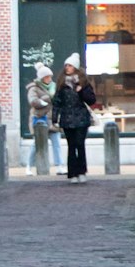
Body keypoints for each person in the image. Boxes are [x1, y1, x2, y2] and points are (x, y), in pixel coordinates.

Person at [52, 52, 96, 182]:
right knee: (71, 145)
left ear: (75, 67)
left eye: (70, 65)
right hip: (67, 118)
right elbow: (57, 102)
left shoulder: (83, 83)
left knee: (80, 144)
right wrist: (55, 118)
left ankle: (82, 171)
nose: (67, 68)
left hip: (81, 118)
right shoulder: (62, 84)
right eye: (66, 65)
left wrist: (81, 91)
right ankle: (72, 174)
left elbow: (91, 100)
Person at [27, 62, 61, 171]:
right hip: (40, 120)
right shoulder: (34, 88)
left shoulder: (54, 87)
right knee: (36, 144)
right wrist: (46, 99)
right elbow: (33, 101)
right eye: (46, 77)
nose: (49, 79)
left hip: (53, 120)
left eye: (50, 76)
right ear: (41, 78)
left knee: (57, 144)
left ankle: (59, 166)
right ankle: (29, 166)